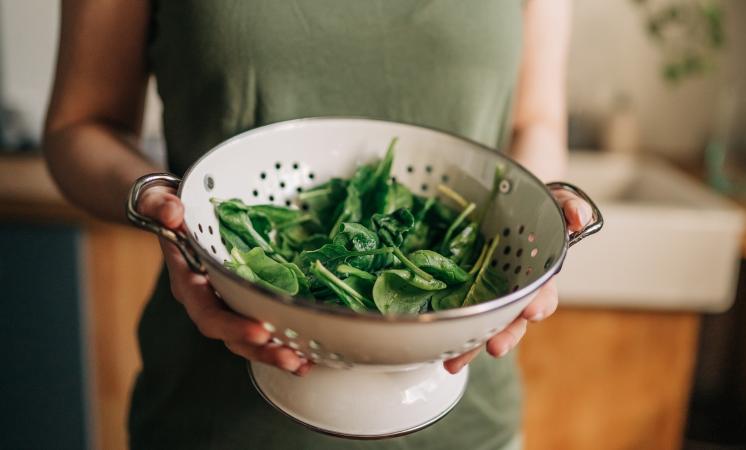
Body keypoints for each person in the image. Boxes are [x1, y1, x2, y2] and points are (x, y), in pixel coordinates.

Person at [44, 1, 590, 448]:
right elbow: (80, 125)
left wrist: (533, 213)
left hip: (465, 420)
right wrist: (161, 203)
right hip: (212, 417)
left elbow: (535, 120)